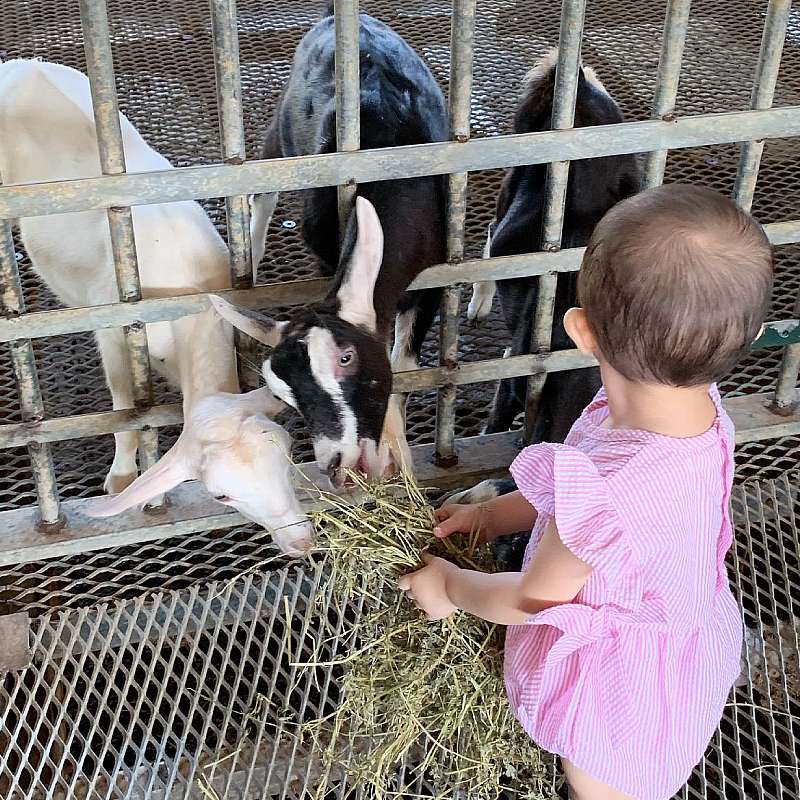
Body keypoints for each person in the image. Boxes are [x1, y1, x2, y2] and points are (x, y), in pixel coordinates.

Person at [398, 183, 774, 800]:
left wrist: (450, 586)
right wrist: (493, 517)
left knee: (601, 788)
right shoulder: (700, 410)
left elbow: (532, 601)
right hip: (679, 633)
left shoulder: (612, 489)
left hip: (616, 693)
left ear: (580, 330)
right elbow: (574, 507)